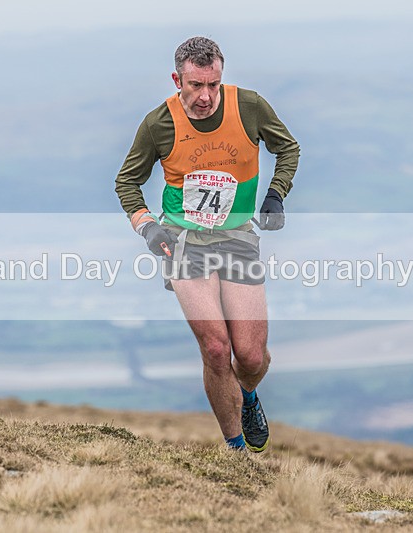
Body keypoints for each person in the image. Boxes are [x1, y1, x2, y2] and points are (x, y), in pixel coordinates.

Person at [115, 37, 300, 452]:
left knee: (250, 357)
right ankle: (235, 450)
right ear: (177, 79)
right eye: (195, 85)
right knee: (216, 347)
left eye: (213, 85)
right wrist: (147, 227)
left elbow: (287, 147)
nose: (205, 96)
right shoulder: (158, 124)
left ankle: (248, 396)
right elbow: (127, 182)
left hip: (237, 237)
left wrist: (276, 195)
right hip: (183, 241)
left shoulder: (248, 106)